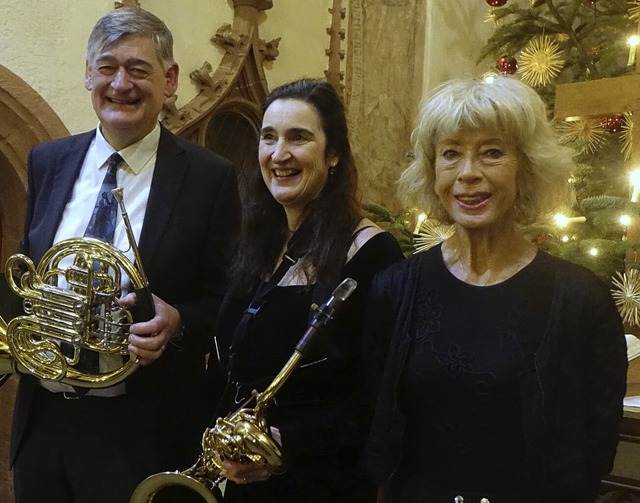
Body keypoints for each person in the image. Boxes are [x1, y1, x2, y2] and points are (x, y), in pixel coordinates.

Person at [11, 7, 239, 503]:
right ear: (88, 73)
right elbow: (30, 274)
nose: (121, 84)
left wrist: (179, 322)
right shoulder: (48, 161)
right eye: (108, 67)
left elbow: (226, 303)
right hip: (43, 423)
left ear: (170, 79)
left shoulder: (209, 178)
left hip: (139, 431)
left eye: (138, 69)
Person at [363, 76, 628, 503]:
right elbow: (377, 430)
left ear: (526, 167)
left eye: (492, 152)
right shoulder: (394, 289)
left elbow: (593, 451)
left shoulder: (581, 300)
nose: (468, 173)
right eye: (451, 154)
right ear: (432, 171)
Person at [207, 78, 404, 503]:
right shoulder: (259, 242)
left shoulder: (373, 254)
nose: (279, 155)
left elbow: (381, 397)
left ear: (333, 154)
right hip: (243, 480)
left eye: (299, 138)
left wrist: (286, 442)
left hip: (320, 485)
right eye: (269, 137)